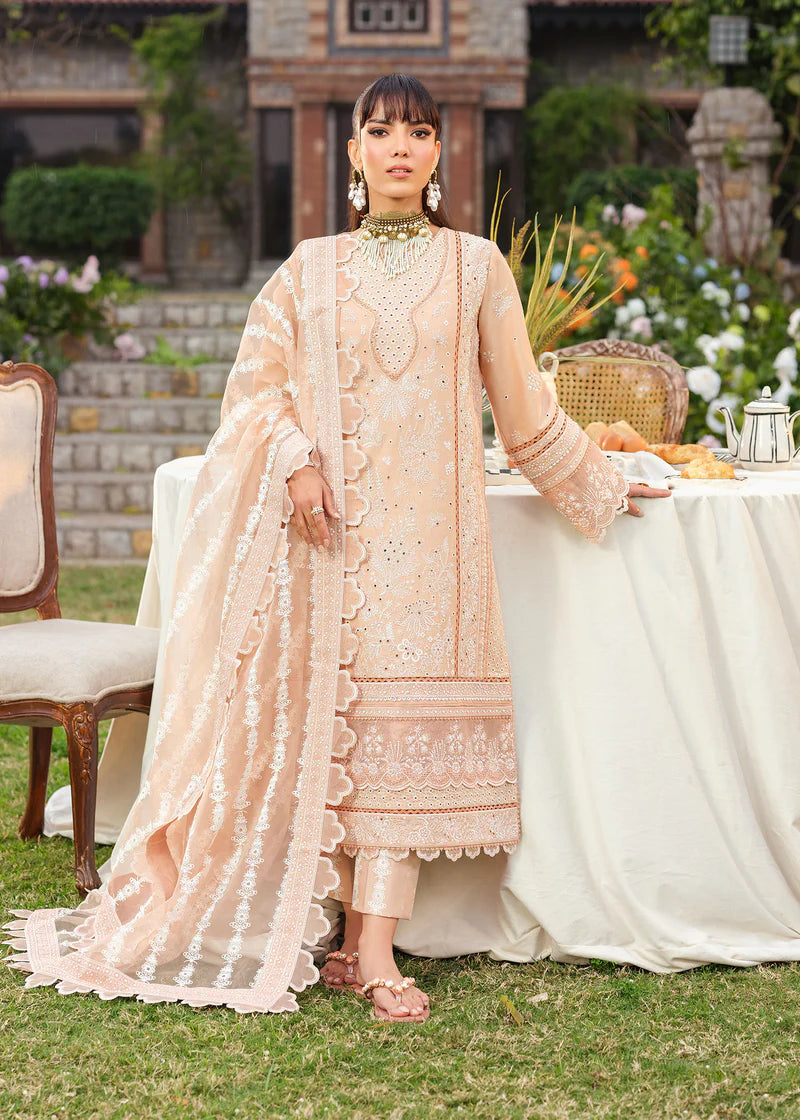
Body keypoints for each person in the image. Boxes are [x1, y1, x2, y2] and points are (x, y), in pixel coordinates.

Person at [4, 73, 668, 1023]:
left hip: (435, 549)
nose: (400, 146)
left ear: (441, 154)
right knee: (346, 738)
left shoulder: (478, 267)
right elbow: (252, 395)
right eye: (382, 130)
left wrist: (604, 481)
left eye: (420, 131)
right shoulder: (307, 271)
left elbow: (524, 413)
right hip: (329, 546)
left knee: (396, 745)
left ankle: (373, 949)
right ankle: (353, 943)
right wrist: (295, 460)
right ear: (353, 152)